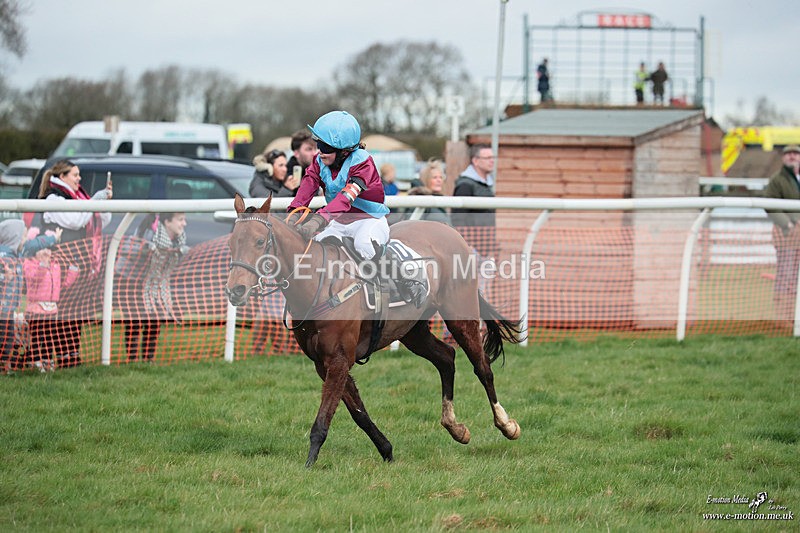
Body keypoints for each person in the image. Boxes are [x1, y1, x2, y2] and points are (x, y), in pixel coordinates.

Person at [290, 110, 426, 307]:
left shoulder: (362, 162)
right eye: (318, 144)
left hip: (369, 219)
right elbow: (307, 186)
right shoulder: (319, 161)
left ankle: (407, 280)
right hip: (339, 220)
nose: (320, 151)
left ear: (344, 151)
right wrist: (294, 213)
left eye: (325, 147)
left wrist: (319, 219)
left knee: (364, 244)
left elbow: (346, 197)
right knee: (317, 243)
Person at [37, 159, 112, 367]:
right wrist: (93, 202)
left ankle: (71, 356)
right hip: (57, 267)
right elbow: (75, 220)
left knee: (75, 311)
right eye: (75, 175)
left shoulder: (80, 198)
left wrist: (104, 202)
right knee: (57, 312)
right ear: (62, 177)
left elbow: (101, 221)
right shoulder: (54, 198)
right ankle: (49, 357)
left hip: (77, 265)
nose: (79, 179)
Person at [123, 212, 189, 361]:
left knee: (155, 320)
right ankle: (132, 360)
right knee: (135, 322)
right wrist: (145, 249)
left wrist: (184, 253)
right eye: (180, 220)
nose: (184, 224)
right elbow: (128, 250)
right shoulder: (150, 233)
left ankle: (148, 359)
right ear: (167, 222)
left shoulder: (179, 238)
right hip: (132, 281)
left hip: (156, 284)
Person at [23, 229, 80, 371]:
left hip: (52, 309)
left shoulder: (55, 265)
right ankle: (36, 361)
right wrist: (43, 265)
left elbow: (62, 284)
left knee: (49, 337)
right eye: (42, 249)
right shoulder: (29, 263)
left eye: (49, 249)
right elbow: (34, 278)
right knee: (37, 337)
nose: (46, 252)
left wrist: (73, 271)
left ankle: (48, 361)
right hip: (36, 309)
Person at [451, 144, 498, 296]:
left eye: (493, 157)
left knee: (483, 293)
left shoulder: (487, 184)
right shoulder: (465, 185)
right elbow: (458, 218)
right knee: (466, 293)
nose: (492, 161)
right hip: (471, 250)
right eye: (487, 157)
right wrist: (467, 246)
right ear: (476, 161)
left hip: (485, 249)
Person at [763, 144, 800, 325]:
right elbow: (770, 205)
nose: (792, 156)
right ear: (783, 157)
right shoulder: (777, 179)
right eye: (788, 154)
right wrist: (787, 224)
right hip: (786, 235)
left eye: (795, 153)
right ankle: (783, 317)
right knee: (786, 276)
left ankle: (795, 315)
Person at [406, 159, 451, 225]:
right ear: (426, 180)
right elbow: (410, 224)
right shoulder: (420, 200)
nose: (439, 180)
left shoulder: (441, 200)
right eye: (435, 177)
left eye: (441, 177)